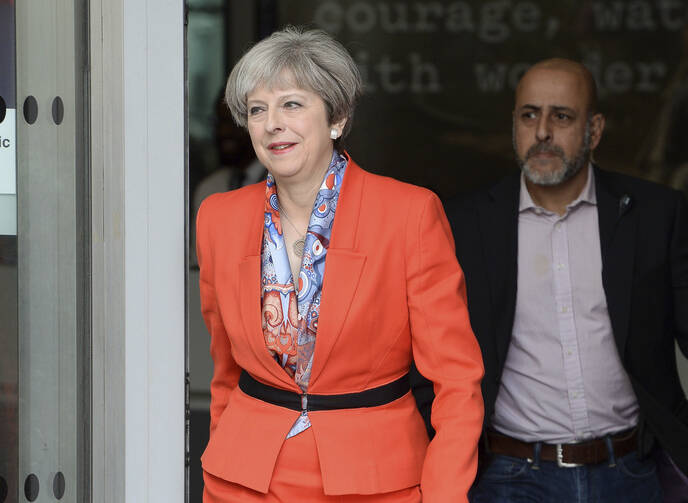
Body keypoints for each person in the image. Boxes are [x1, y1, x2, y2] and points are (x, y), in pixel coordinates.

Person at [196, 26, 484, 502]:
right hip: (243, 483)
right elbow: (225, 371)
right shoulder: (218, 219)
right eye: (257, 109)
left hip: (375, 482)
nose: (272, 124)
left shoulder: (409, 214)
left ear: (338, 116)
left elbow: (457, 382)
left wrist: (444, 496)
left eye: (292, 104)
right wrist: (226, 453)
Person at [425, 58, 688, 502]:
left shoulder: (655, 215)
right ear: (514, 124)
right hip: (510, 478)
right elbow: (425, 356)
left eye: (561, 116)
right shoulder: (463, 224)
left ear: (595, 129)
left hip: (630, 473)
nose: (543, 131)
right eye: (530, 115)